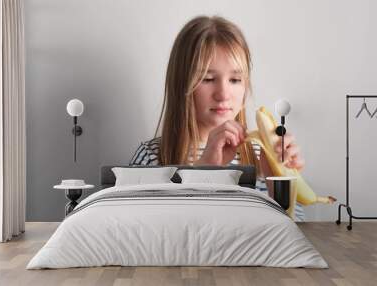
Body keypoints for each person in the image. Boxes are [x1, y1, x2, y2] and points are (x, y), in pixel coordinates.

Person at [129, 15, 306, 220]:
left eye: (235, 79)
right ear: (181, 85)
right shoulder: (151, 157)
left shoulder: (261, 156)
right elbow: (141, 233)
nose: (223, 94)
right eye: (208, 79)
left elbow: (297, 231)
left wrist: (281, 185)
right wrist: (204, 172)